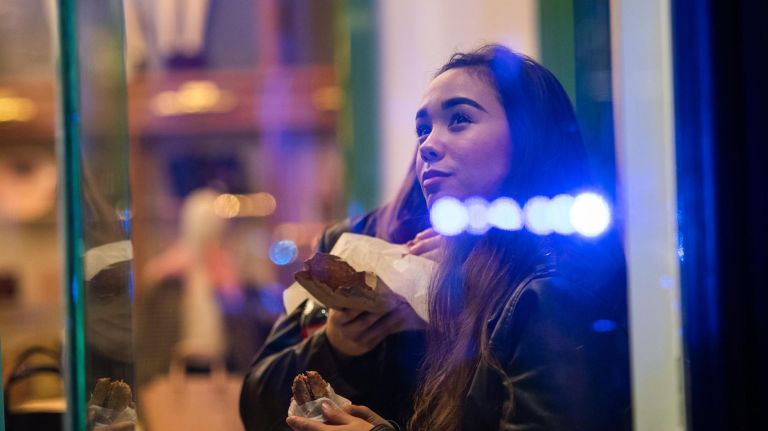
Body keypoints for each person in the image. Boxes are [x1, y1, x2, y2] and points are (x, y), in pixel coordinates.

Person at [284, 44, 631, 431]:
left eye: (460, 119)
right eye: (423, 129)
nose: (427, 146)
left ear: (528, 137)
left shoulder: (550, 291)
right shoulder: (481, 279)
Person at [239, 158, 434, 431]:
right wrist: (332, 345)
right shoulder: (352, 243)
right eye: (423, 134)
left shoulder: (496, 262)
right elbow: (258, 406)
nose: (432, 145)